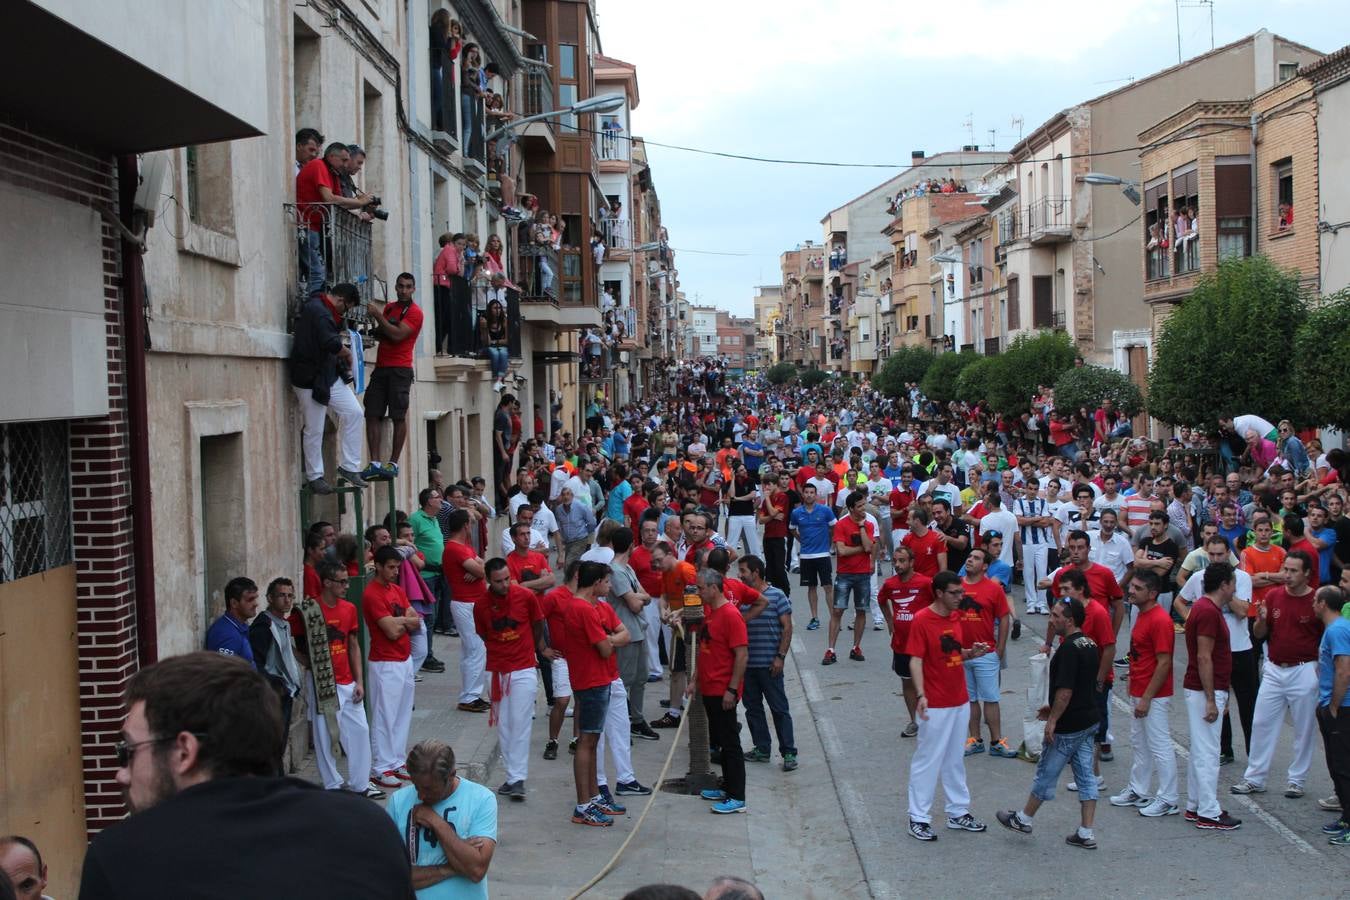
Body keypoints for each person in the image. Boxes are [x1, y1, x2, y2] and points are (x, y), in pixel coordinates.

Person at [77, 653, 411, 897]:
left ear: (184, 751)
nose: (121, 774)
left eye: (129, 751)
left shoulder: (122, 858)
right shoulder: (366, 824)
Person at [995, 596, 1101, 848]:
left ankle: (1023, 819)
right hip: (1088, 720)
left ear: (1070, 620)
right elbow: (1082, 685)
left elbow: (1065, 691)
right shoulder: (1089, 643)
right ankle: (1086, 832)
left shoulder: (1067, 650)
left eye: (1056, 616)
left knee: (1046, 771)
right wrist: (1053, 707)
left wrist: (1052, 720)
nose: (1051, 620)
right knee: (1086, 776)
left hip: (1070, 725)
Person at [905, 571, 992, 841]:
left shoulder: (955, 617)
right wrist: (921, 695)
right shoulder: (922, 620)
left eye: (962, 592)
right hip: (935, 703)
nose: (960, 597)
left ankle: (957, 812)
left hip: (959, 700)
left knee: (955, 759)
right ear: (940, 593)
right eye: (955, 593)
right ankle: (918, 817)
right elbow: (916, 660)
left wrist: (970, 653)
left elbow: (951, 653)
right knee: (928, 760)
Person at [1232, 551, 1323, 799]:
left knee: (1304, 728)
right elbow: (1260, 633)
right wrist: (1260, 620)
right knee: (1261, 722)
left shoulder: (1317, 600)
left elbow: (1325, 637)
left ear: (1307, 574)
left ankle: (1297, 780)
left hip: (1304, 669)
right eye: (1286, 570)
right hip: (1273, 668)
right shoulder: (1273, 596)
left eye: (1294, 571)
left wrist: (1318, 670)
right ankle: (1254, 778)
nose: (1287, 575)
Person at [292, 559, 382, 798]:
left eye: (346, 581)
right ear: (327, 583)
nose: (346, 586)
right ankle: (332, 784)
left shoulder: (349, 609)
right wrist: (308, 665)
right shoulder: (309, 609)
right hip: (322, 681)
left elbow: (353, 645)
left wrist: (359, 681)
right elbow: (295, 644)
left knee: (360, 731)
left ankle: (360, 784)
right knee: (325, 735)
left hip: (347, 681)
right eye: (342, 582)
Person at [385, 740, 497, 897]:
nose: (420, 796)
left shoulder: (482, 799)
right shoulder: (398, 802)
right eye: (416, 786)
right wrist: (452, 866)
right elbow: (392, 876)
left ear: (451, 775)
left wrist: (436, 822)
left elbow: (476, 870)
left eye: (429, 789)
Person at [1109, 571, 1179, 818]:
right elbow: (1141, 653)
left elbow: (1163, 662)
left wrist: (1148, 697)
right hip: (1140, 689)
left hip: (1153, 695)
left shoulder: (1160, 620)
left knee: (1159, 745)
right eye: (1132, 586)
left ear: (1152, 594)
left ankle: (1169, 798)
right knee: (1140, 743)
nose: (1131, 591)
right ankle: (1139, 789)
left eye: (1137, 588)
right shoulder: (1141, 614)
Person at [476, 558, 546, 801]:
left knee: (520, 722)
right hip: (496, 670)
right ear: (488, 581)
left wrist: (532, 649)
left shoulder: (525, 597)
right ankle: (512, 776)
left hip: (523, 667)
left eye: (507, 579)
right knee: (504, 725)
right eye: (498, 581)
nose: (505, 584)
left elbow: (538, 624)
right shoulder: (481, 605)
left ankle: (517, 777)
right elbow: (484, 634)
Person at [560, 561, 624, 826]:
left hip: (592, 678)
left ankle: (594, 796)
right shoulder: (584, 609)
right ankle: (583, 804)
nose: (608, 586)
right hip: (592, 679)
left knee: (592, 740)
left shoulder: (581, 607)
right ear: (596, 582)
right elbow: (606, 649)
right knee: (586, 742)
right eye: (606, 581)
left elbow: (619, 637)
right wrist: (610, 638)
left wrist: (609, 637)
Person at [289, 282, 368, 493]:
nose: (345, 312)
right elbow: (329, 342)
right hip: (309, 378)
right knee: (314, 428)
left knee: (355, 412)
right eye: (347, 308)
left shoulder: (323, 310)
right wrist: (348, 353)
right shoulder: (319, 311)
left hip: (327, 375)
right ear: (341, 300)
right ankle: (315, 476)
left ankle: (349, 466)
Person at [1182, 562, 1242, 830]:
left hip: (1204, 688)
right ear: (1224, 585)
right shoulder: (1208, 612)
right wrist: (1211, 698)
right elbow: (1204, 656)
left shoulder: (1203, 609)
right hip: (1205, 689)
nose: (1235, 588)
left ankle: (1196, 805)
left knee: (1200, 749)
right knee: (1208, 751)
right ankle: (1209, 811)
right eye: (1233, 583)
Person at [363, 545, 423, 790]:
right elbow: (390, 630)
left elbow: (415, 622)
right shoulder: (372, 594)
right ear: (377, 566)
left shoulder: (397, 589)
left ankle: (396, 760)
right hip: (384, 661)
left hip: (403, 658)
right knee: (384, 716)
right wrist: (404, 622)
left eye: (397, 567)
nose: (395, 572)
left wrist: (402, 622)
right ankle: (380, 767)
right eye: (390, 567)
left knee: (401, 713)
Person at [695, 568, 751, 815]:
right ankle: (727, 785)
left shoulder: (730, 615)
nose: (698, 592)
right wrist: (695, 679)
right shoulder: (712, 613)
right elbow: (706, 649)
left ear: (713, 588)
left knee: (730, 743)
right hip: (709, 687)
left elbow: (741, 654)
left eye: (700, 588)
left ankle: (737, 796)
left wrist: (731, 689)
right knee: (720, 741)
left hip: (722, 690)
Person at [736, 555, 797, 771]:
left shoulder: (777, 595)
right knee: (752, 708)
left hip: (770, 665)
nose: (739, 575)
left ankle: (789, 752)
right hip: (747, 666)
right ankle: (762, 748)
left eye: (743, 571)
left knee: (779, 709)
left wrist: (780, 656)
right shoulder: (741, 598)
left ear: (756, 572)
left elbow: (787, 628)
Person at [362, 272, 424, 481]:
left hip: (400, 369)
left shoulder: (415, 312)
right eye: (401, 286)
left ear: (413, 289)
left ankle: (393, 463)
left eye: (408, 286)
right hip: (381, 367)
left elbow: (397, 335)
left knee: (398, 415)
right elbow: (383, 332)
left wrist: (378, 317)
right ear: (396, 287)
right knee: (372, 412)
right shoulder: (390, 307)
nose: (404, 290)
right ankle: (375, 462)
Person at [295, 142, 375, 299]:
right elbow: (329, 198)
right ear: (331, 157)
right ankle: (313, 312)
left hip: (316, 228)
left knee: (321, 276)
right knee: (317, 275)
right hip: (306, 224)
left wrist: (361, 203)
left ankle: (316, 308)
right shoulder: (318, 166)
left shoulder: (332, 174)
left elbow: (342, 204)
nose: (346, 164)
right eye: (344, 160)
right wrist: (360, 202)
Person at [957, 548, 1014, 758]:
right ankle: (975, 740)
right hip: (963, 654)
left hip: (986, 652)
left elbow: (1005, 617)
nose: (970, 560)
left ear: (985, 566)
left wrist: (1000, 648)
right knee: (970, 700)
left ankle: (997, 741)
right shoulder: (957, 586)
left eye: (976, 558)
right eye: (970, 556)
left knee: (990, 698)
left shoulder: (993, 588)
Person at [247, 577, 303, 767]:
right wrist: (277, 686)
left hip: (284, 693)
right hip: (273, 695)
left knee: (279, 746)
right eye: (281, 595)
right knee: (272, 746)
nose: (287, 600)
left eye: (290, 596)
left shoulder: (283, 623)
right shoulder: (264, 626)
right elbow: (257, 664)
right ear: (270, 598)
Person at [879, 545, 933, 737]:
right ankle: (914, 721)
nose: (897, 565)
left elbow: (938, 602)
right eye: (895, 561)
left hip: (924, 643)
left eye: (902, 561)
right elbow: (881, 600)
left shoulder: (926, 583)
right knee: (907, 682)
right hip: (901, 643)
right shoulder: (890, 584)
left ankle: (933, 719)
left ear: (912, 562)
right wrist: (889, 621)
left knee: (929, 681)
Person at [1313, 585, 1350, 844]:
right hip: (1332, 703)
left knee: (1343, 766)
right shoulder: (1336, 628)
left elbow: (1343, 670)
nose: (1312, 604)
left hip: (1342, 707)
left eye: (1315, 600)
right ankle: (1346, 817)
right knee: (1337, 766)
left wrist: (1334, 706)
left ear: (1324, 603)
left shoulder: (1337, 630)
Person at [444, 508, 490, 713]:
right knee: (476, 649)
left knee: (471, 649)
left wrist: (479, 569)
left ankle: (470, 693)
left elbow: (481, 566)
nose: (472, 526)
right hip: (465, 603)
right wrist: (479, 571)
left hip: (471, 603)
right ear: (465, 525)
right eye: (470, 522)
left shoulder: (464, 547)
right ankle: (471, 696)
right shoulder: (456, 548)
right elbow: (483, 570)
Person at [825, 490, 876, 665]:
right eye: (860, 506)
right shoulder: (841, 525)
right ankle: (831, 649)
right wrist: (861, 549)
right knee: (838, 610)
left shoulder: (868, 525)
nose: (864, 508)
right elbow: (842, 551)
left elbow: (869, 547)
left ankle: (856, 647)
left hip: (862, 574)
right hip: (845, 573)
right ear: (851, 508)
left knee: (861, 610)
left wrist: (861, 527)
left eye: (864, 505)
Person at [790, 483, 836, 631]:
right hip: (806, 556)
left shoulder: (825, 511)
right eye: (807, 492)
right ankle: (815, 618)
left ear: (816, 495)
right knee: (811, 587)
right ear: (803, 494)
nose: (809, 495)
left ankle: (834, 618)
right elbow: (792, 529)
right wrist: (801, 540)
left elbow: (834, 527)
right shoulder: (797, 513)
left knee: (828, 586)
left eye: (812, 492)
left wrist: (829, 544)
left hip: (823, 555)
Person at [204, 577, 259, 662]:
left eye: (255, 598)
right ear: (234, 603)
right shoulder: (226, 634)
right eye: (250, 600)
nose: (256, 604)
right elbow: (225, 672)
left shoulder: (240, 626)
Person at [479, 296, 512, 392]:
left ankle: (498, 380)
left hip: (500, 347)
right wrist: (485, 329)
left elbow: (506, 341)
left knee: (503, 353)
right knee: (495, 353)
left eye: (499, 308)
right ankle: (498, 379)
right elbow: (487, 342)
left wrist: (495, 342)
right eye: (495, 308)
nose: (497, 310)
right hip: (486, 348)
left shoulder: (504, 321)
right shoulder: (484, 321)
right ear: (490, 309)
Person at [493, 394, 516, 510]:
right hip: (500, 451)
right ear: (510, 402)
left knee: (503, 476)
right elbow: (498, 434)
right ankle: (500, 505)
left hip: (505, 449)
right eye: (513, 403)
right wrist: (503, 452)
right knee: (499, 478)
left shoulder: (505, 414)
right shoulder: (501, 415)